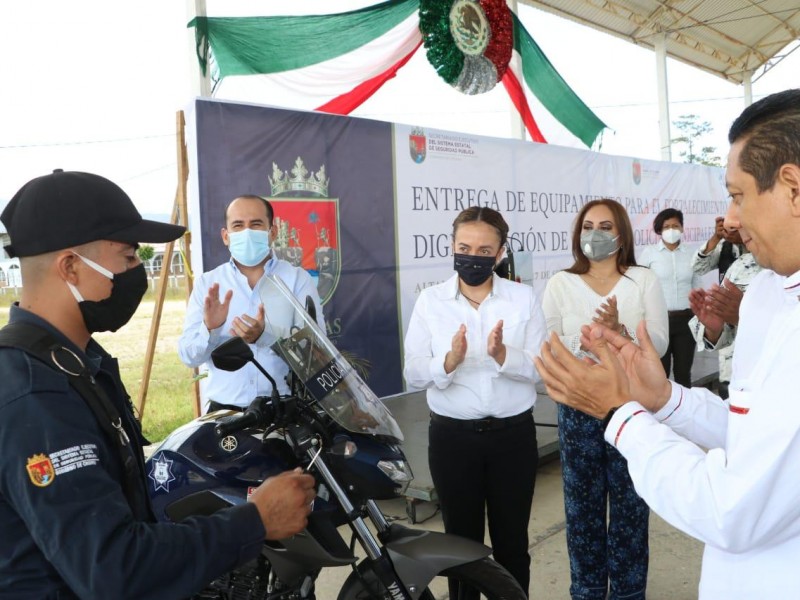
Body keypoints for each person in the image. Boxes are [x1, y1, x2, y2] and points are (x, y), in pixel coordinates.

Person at [534, 89, 800, 598]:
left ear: (791, 187)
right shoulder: (770, 289)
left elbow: (730, 512)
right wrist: (663, 399)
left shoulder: (654, 279)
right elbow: (749, 431)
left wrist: (623, 415)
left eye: (738, 194)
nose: (732, 220)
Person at [0, 170, 316, 598]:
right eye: (128, 258)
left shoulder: (79, 364)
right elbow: (114, 569)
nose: (136, 272)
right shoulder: (35, 394)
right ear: (71, 267)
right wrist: (254, 520)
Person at [403, 206, 545, 598]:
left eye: (484, 249)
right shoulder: (431, 302)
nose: (473, 256)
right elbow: (412, 372)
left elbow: (540, 368)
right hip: (453, 441)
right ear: (451, 246)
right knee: (459, 548)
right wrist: (447, 361)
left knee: (512, 544)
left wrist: (503, 356)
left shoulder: (523, 298)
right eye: (464, 246)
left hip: (512, 439)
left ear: (500, 254)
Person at [542, 198, 668, 600]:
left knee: (630, 509)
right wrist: (586, 349)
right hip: (578, 408)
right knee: (582, 513)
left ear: (621, 233)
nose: (595, 233)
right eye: (588, 225)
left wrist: (620, 332)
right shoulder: (560, 283)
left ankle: (629, 593)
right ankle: (588, 591)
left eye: (605, 226)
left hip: (631, 406)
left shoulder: (643, 279)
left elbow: (660, 343)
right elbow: (550, 342)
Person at [178, 195, 324, 413]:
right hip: (225, 413)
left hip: (284, 410)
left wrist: (265, 336)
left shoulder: (296, 279)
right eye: (238, 225)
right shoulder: (208, 284)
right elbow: (189, 356)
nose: (246, 232)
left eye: (256, 224)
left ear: (272, 232)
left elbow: (317, 351)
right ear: (226, 236)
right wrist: (210, 330)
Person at [688, 217, 762, 398]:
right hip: (739, 375)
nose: (731, 224)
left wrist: (744, 315)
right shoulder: (740, 265)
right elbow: (697, 266)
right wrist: (715, 328)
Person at [638, 208, 701, 386]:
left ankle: (685, 413)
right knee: (660, 373)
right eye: (667, 226)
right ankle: (661, 413)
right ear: (659, 229)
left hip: (686, 321)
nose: (671, 229)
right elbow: (640, 287)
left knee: (683, 374)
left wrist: (700, 314)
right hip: (659, 322)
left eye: (675, 225)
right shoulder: (649, 254)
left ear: (682, 228)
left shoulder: (691, 254)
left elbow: (697, 284)